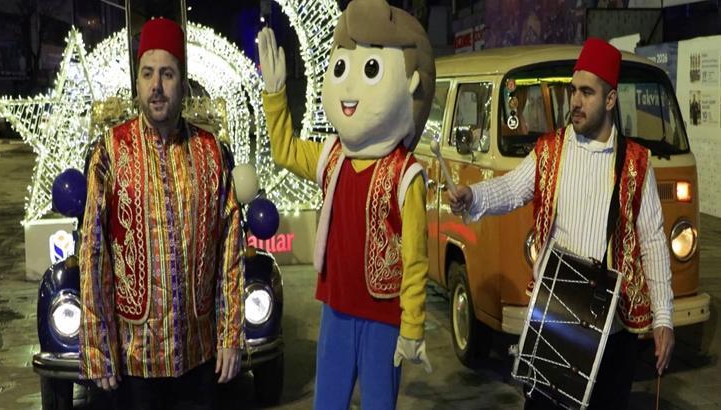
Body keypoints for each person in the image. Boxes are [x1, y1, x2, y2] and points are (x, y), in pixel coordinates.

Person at [449, 38, 675, 409]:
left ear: (610, 100)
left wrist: (663, 317)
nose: (575, 101)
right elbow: (512, 188)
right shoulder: (550, 151)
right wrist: (473, 196)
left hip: (612, 331)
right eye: (573, 91)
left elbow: (652, 240)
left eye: (587, 92)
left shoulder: (636, 162)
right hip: (554, 319)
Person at [257, 0, 435, 408]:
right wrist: (275, 96)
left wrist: (412, 325)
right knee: (328, 401)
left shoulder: (405, 175)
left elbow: (415, 258)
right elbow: (285, 150)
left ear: (410, 85)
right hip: (336, 308)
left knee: (378, 402)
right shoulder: (332, 156)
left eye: (371, 69)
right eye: (341, 68)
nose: (349, 87)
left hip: (382, 316)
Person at [78, 17, 242, 410]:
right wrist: (98, 347)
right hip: (134, 363)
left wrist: (231, 334)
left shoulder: (211, 153)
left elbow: (230, 247)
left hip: (199, 357)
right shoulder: (111, 152)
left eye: (167, 74)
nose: (156, 85)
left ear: (182, 83)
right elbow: (93, 253)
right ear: (136, 82)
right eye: (147, 73)